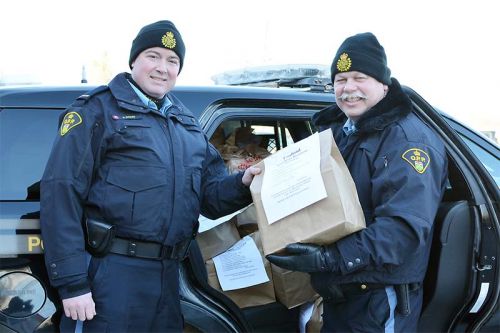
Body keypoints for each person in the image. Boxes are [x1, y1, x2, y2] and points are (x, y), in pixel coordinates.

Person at [40, 20, 259, 332]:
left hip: (168, 278)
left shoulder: (185, 124)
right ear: (134, 61)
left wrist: (244, 184)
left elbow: (209, 198)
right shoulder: (97, 111)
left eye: (172, 61)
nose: (162, 68)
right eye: (153, 56)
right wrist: (73, 284)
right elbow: (60, 193)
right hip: (111, 276)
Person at [267, 32, 448, 332]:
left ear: (383, 84)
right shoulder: (340, 134)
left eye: (359, 77)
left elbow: (401, 231)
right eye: (340, 79)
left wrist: (329, 258)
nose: (348, 88)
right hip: (343, 293)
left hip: (379, 299)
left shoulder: (408, 142)